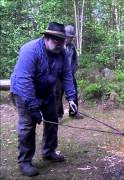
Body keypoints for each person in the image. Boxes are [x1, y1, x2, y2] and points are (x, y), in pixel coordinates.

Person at [10, 22, 78, 177]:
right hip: (23, 92)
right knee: (28, 125)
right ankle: (25, 162)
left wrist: (71, 98)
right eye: (57, 40)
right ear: (46, 38)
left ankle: (48, 151)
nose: (61, 44)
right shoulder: (30, 50)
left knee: (52, 120)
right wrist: (33, 108)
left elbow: (67, 75)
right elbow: (24, 80)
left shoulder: (61, 52)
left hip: (47, 91)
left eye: (63, 40)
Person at [56, 24, 83, 119]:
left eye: (71, 37)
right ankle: (58, 115)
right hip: (58, 76)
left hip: (70, 75)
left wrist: (73, 71)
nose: (70, 39)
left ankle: (74, 113)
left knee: (74, 92)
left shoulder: (71, 47)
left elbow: (75, 61)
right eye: (68, 37)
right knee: (58, 95)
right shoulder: (57, 46)